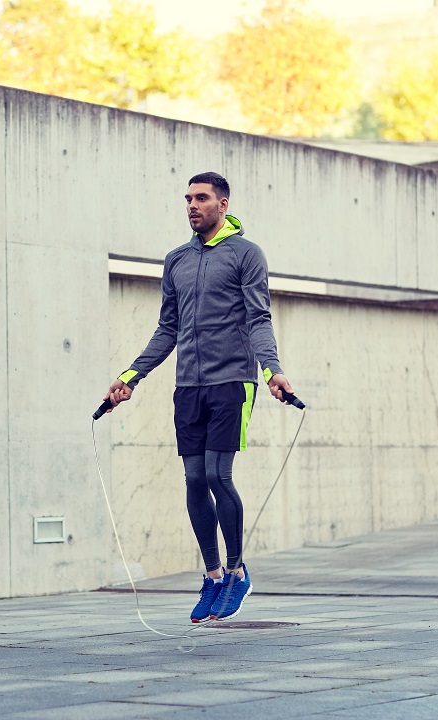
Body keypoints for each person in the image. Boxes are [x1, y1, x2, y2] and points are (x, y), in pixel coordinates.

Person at [103, 171, 296, 623]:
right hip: (187, 384)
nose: (192, 205)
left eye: (202, 198)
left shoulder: (247, 255)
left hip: (233, 381)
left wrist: (272, 371)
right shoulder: (176, 261)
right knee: (193, 480)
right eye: (188, 198)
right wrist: (130, 377)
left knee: (215, 474)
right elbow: (167, 328)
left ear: (223, 204)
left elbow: (259, 318)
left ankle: (236, 571)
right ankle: (211, 576)